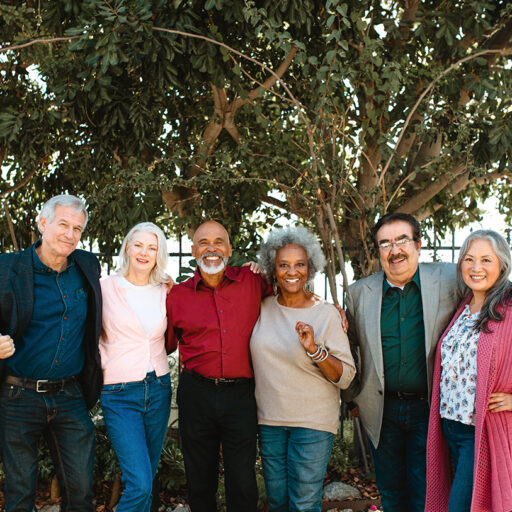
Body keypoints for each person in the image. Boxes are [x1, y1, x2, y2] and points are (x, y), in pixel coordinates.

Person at [341, 213, 457, 512]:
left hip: (430, 408)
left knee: (426, 495)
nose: (395, 250)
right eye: (385, 244)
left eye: (402, 240)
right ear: (378, 250)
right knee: (391, 495)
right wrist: (352, 395)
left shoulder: (450, 279)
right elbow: (346, 348)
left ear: (418, 244)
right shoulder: (358, 294)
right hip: (382, 412)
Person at [0, 194, 102, 512]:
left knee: (82, 489)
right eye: (63, 224)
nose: (70, 234)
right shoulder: (6, 268)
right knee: (20, 493)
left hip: (70, 396)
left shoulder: (87, 265)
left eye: (77, 228)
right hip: (17, 396)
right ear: (43, 223)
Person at [166, 220, 271, 512]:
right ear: (193, 251)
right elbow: (165, 344)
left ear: (229, 248)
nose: (211, 248)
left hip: (241, 395)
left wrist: (330, 312)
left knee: (243, 482)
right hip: (196, 392)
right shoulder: (177, 295)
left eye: (218, 242)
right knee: (200, 482)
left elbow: (291, 299)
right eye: (203, 243)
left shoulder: (252, 281)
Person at [250, 226, 356, 512]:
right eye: (283, 264)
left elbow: (345, 377)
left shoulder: (326, 314)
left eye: (299, 264)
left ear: (310, 269)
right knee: (277, 502)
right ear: (272, 268)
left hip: (312, 423)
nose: (291, 271)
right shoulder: (261, 307)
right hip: (270, 421)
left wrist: (315, 349)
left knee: (304, 504)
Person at [425, 230, 512, 512]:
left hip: (481, 431)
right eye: (469, 259)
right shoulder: (464, 306)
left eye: (486, 260)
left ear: (502, 265)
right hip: (449, 427)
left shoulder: (509, 307)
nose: (476, 268)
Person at [99, 222, 173, 512]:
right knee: (140, 483)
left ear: (158, 254)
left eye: (152, 247)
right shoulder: (104, 287)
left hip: (158, 390)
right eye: (139, 245)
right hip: (119, 393)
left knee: (147, 479)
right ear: (127, 246)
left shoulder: (165, 289)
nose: (144, 252)